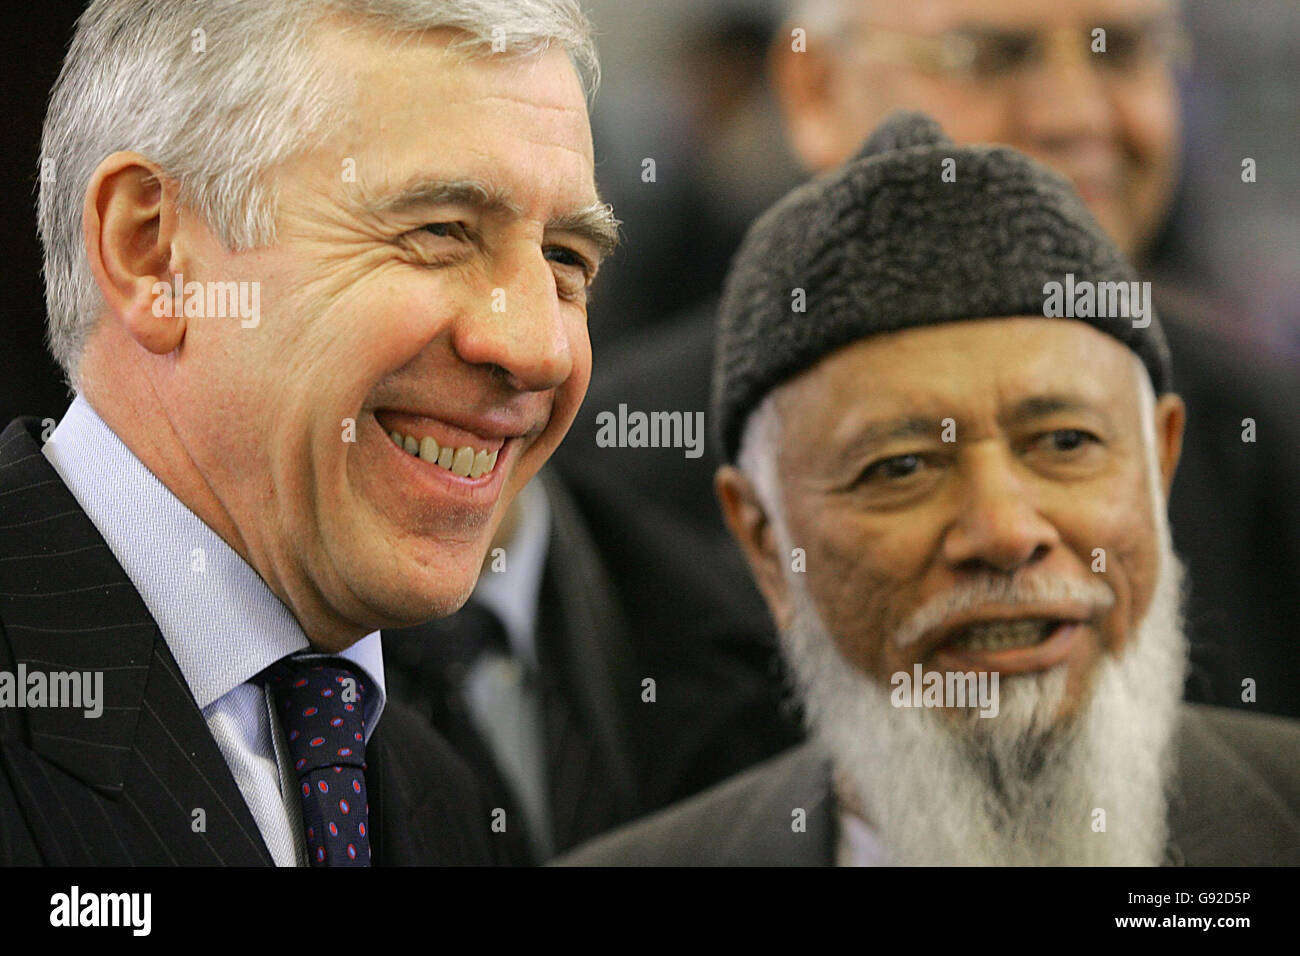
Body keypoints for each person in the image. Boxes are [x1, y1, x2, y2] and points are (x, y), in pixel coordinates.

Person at [556, 0, 1300, 795]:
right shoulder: (600, 471)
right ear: (815, 87)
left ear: (1163, 444)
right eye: (990, 56)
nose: (1073, 114)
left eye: (1118, 52)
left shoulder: (1272, 437)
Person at [0, 0, 616, 866]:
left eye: (566, 261)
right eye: (438, 232)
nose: (539, 348)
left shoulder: (448, 804)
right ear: (152, 255)